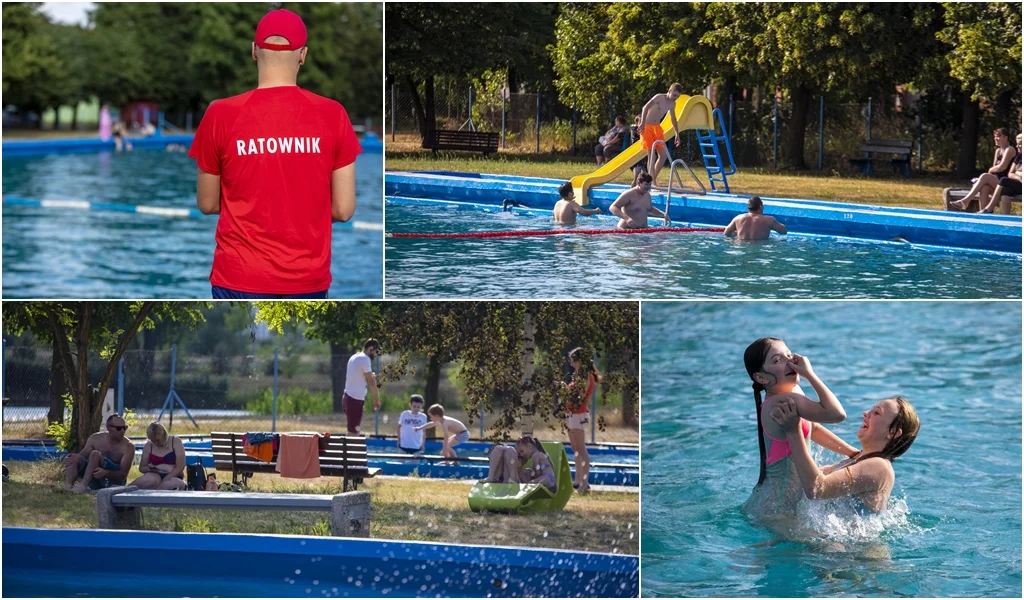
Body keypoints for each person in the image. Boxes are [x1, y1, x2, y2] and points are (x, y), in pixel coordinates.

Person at [188, 8, 363, 299]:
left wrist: (255, 208)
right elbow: (343, 210)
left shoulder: (220, 114)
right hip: (307, 279)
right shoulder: (333, 114)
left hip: (238, 276)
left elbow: (207, 203)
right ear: (303, 55)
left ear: (254, 51)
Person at [740, 338, 856, 520]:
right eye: (777, 360)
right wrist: (810, 375)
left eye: (788, 355)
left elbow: (813, 429)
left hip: (775, 503)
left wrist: (852, 453)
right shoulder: (781, 402)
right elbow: (837, 414)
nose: (789, 362)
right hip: (776, 510)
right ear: (761, 377)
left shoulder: (793, 392)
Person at [770, 395, 919, 513]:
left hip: (854, 552)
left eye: (877, 412)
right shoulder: (861, 460)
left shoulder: (879, 467)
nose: (866, 413)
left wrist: (793, 432)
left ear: (893, 433)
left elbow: (816, 489)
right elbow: (811, 475)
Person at [61, 414, 134, 494]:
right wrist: (68, 458)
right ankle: (67, 486)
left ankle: (83, 486)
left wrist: (105, 472)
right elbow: (81, 457)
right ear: (109, 427)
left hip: (114, 482)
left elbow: (123, 475)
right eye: (119, 428)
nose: (122, 431)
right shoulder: (95, 439)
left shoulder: (128, 446)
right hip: (94, 478)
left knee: (95, 454)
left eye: (124, 428)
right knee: (74, 457)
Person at [950, 128, 1018, 211]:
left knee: (984, 176)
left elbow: (1002, 167)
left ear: (1006, 137)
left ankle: (965, 201)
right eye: (994, 137)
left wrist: (990, 171)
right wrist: (991, 172)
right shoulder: (998, 151)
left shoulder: (1010, 149)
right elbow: (994, 168)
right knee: (984, 188)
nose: (995, 139)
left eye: (998, 137)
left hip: (1005, 182)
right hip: (996, 180)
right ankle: (984, 214)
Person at [565, 348, 599, 493]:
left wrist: (564, 390)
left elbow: (579, 395)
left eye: (574, 361)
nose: (572, 365)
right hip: (572, 413)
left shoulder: (586, 376)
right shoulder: (579, 376)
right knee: (575, 448)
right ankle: (578, 480)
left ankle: (584, 482)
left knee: (581, 448)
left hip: (578, 414)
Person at [639, 83, 684, 187]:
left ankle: (651, 179)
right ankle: (651, 182)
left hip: (657, 128)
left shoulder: (672, 104)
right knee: (652, 155)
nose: (675, 98)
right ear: (669, 91)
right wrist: (642, 123)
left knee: (663, 156)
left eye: (677, 96)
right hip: (647, 126)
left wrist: (677, 134)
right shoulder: (659, 97)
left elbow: (673, 119)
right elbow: (645, 107)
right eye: (674, 95)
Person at [480, 436, 557, 493]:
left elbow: (538, 474)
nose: (521, 455)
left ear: (530, 446)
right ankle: (491, 477)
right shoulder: (539, 455)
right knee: (498, 448)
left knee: (509, 449)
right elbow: (538, 473)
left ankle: (492, 477)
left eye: (521, 452)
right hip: (548, 478)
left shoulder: (535, 456)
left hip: (546, 479)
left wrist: (530, 478)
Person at [130, 422, 187, 491]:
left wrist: (165, 479)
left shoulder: (175, 442)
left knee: (167, 484)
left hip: (174, 476)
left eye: (157, 440)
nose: (156, 443)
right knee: (150, 480)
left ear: (163, 434)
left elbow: (180, 467)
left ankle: (155, 496)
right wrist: (149, 469)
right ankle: (125, 489)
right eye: (152, 441)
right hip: (155, 475)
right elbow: (142, 468)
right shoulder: (148, 446)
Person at [343, 339, 382, 435]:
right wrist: (377, 399)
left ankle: (350, 449)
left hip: (348, 397)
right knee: (353, 433)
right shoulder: (365, 359)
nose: (376, 355)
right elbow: (371, 382)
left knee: (354, 430)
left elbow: (359, 376)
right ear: (371, 349)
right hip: (354, 399)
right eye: (376, 352)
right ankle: (350, 450)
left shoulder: (355, 356)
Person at [979, 133, 1022, 214]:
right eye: (1017, 144)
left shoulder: (1010, 150)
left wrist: (1017, 174)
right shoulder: (1019, 156)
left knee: (1003, 180)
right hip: (1019, 182)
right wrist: (1019, 177)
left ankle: (989, 208)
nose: (1017, 146)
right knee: (1005, 190)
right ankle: (1005, 219)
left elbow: (1005, 169)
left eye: (1020, 144)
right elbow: (1010, 173)